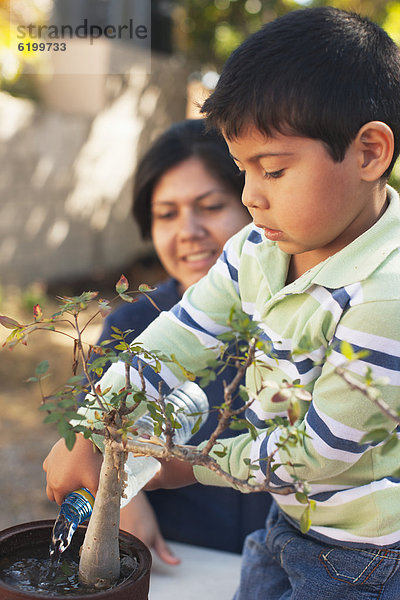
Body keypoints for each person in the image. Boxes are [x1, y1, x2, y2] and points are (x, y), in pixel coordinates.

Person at [44, 7, 400, 598]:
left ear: (368, 153)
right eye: (242, 169)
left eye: (274, 169)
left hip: (369, 555)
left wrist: (186, 464)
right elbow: (180, 337)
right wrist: (91, 427)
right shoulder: (259, 248)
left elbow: (319, 453)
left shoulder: (386, 295)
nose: (252, 197)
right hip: (290, 517)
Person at [51, 119, 271, 564]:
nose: (187, 230)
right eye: (166, 214)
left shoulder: (298, 317)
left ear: (254, 206)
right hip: (177, 563)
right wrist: (124, 502)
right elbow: (90, 441)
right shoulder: (131, 325)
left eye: (210, 206)